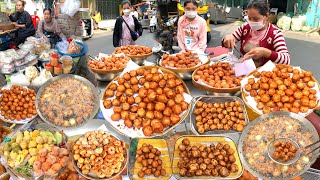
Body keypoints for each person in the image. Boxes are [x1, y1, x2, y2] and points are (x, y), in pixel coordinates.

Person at [223, 0, 290, 67]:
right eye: (249, 18)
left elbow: (286, 59)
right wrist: (227, 39)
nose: (251, 22)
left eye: (255, 19)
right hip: (242, 69)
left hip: (263, 74)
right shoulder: (245, 28)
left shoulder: (275, 34)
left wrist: (265, 52)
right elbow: (228, 41)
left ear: (266, 16)